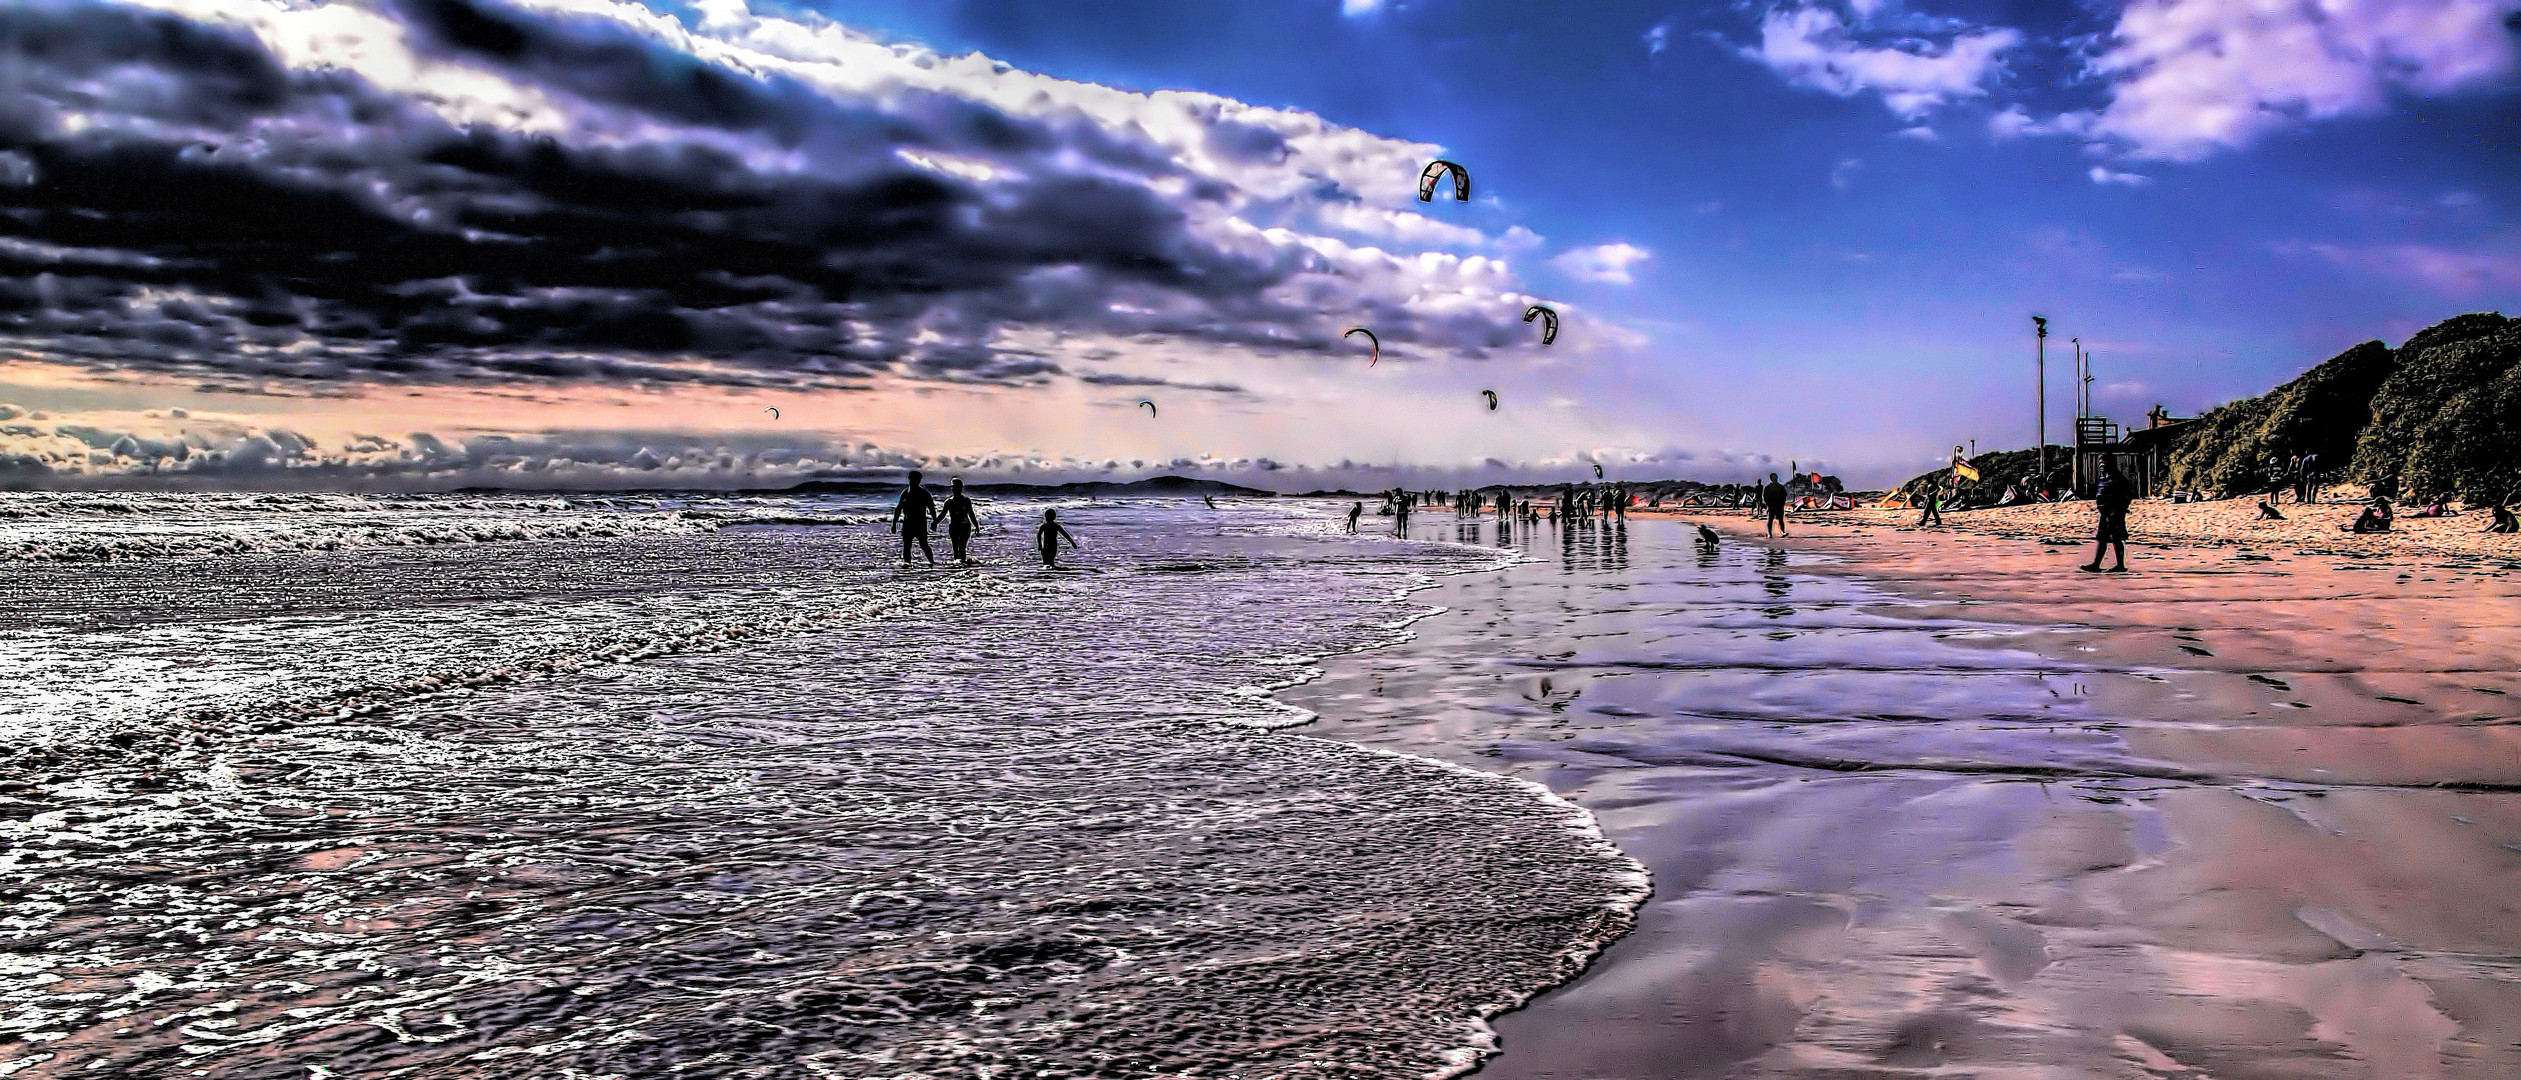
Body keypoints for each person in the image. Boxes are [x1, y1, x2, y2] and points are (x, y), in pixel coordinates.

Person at [2081, 460, 2132, 573]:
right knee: (2102, 538)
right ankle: (2096, 564)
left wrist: (2118, 511)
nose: (2102, 467)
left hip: (2115, 513)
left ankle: (2120, 565)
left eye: (2104, 464)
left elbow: (2126, 497)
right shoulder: (2103, 479)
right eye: (2100, 465)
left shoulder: (2119, 479)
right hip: (2104, 513)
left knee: (2117, 538)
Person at [891, 469, 937, 565]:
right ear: (909, 479)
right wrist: (894, 523)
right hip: (907, 523)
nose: (913, 481)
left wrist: (934, 522)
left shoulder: (924, 493)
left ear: (919, 480)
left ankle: (932, 562)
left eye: (915, 479)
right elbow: (898, 508)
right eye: (911, 479)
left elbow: (932, 508)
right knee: (906, 546)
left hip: (920, 524)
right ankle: (907, 564)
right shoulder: (905, 493)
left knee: (923, 545)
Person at [936, 477, 980, 565]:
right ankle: (958, 568)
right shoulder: (949, 502)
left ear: (961, 488)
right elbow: (943, 514)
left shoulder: (966, 500)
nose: (954, 489)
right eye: (953, 487)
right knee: (955, 548)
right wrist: (935, 522)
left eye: (957, 487)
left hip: (965, 526)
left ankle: (962, 566)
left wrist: (976, 525)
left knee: (962, 547)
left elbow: (971, 514)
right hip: (954, 527)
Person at [1761, 472, 1789, 537]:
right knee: (1770, 520)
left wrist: (1782, 503)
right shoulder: (1767, 487)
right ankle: (1769, 533)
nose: (1775, 479)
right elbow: (1765, 497)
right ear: (1771, 479)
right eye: (1773, 478)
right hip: (1771, 506)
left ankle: (1783, 531)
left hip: (1779, 505)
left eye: (1775, 478)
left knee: (1781, 520)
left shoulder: (1780, 487)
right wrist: (1767, 505)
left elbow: (1784, 495)